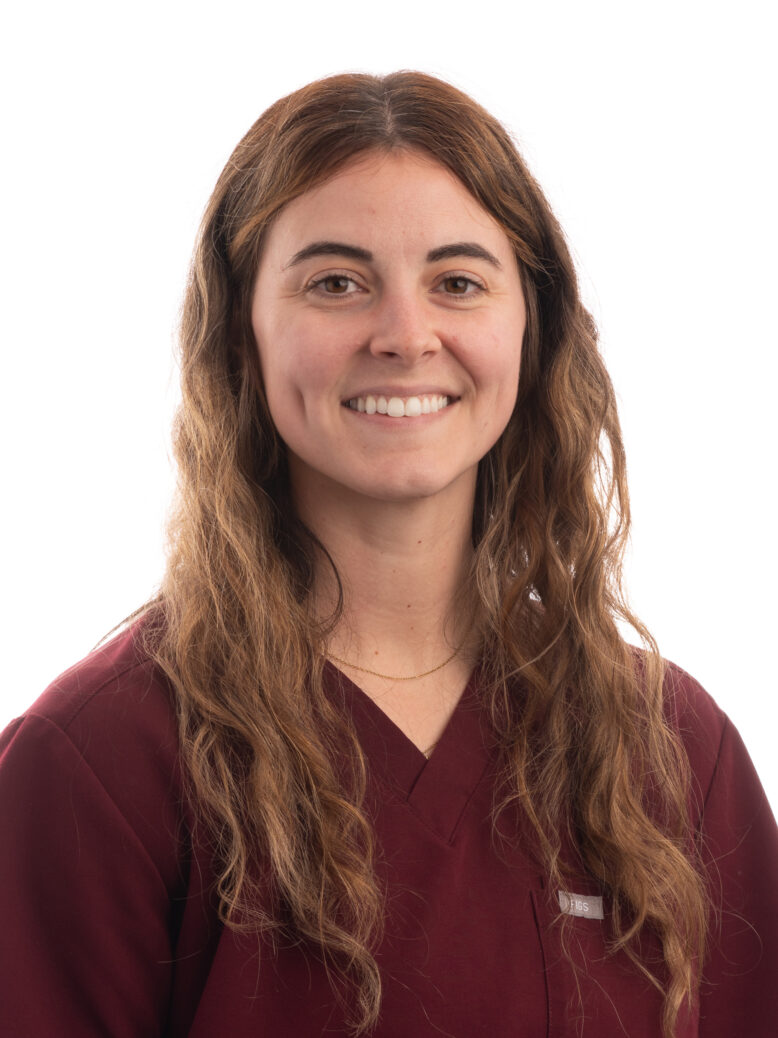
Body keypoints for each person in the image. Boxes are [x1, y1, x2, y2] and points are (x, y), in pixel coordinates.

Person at [0, 72, 775, 1038]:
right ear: (241, 333)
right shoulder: (102, 764)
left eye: (458, 283)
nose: (406, 337)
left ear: (532, 328)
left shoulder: (673, 751)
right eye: (337, 283)